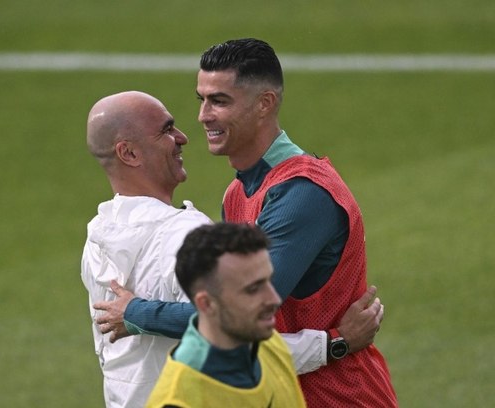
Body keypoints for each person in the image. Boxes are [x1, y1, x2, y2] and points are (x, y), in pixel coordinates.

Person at [95, 38, 397, 407]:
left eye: (219, 101)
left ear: (264, 104)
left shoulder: (303, 195)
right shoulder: (236, 195)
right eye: (201, 100)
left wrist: (136, 313)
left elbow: (234, 312)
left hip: (339, 397)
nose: (204, 115)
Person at [81, 91, 213, 408]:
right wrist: (332, 344)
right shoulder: (187, 235)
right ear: (129, 153)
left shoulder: (96, 237)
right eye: (166, 130)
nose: (182, 138)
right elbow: (229, 326)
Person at [146, 223, 306, 408]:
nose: (274, 299)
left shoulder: (269, 343)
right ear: (206, 304)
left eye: (268, 281)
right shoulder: (178, 401)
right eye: (253, 289)